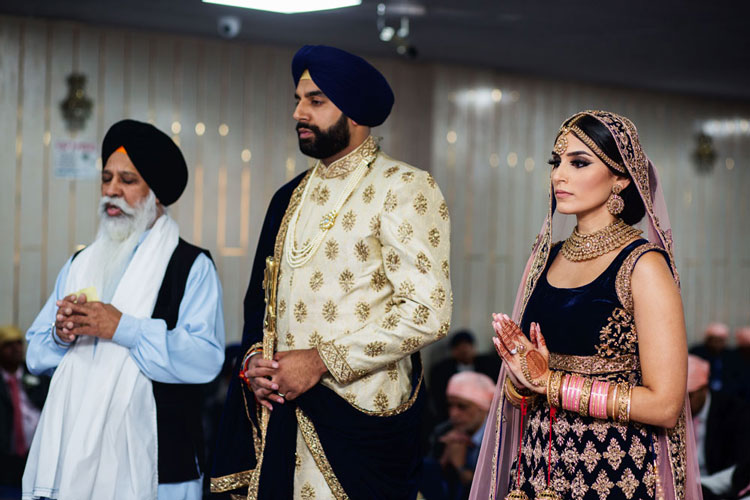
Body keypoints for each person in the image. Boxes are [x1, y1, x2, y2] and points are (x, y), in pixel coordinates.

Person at [211, 45, 452, 499]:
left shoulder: (404, 187)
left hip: (361, 422)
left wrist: (319, 361)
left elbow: (428, 311)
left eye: (316, 100)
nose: (299, 112)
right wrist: (254, 365)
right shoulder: (289, 196)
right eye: (298, 99)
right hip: (282, 411)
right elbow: (257, 305)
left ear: (355, 111)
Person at [470, 110, 702, 499]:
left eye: (579, 163)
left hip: (614, 471)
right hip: (535, 466)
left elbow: (665, 404)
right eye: (555, 161)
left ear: (621, 178)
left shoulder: (642, 266)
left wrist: (552, 383)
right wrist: (525, 378)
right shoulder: (547, 257)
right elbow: (527, 390)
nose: (559, 174)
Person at [23, 119, 225, 500]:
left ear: (156, 192)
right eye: (106, 178)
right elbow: (35, 353)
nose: (111, 191)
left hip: (161, 470)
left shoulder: (191, 265)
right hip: (75, 462)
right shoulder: (80, 262)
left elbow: (206, 359)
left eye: (128, 181)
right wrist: (59, 334)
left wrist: (122, 328)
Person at [687, 355, 750, 499]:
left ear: (704, 389)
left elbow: (738, 470)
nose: (683, 404)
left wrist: (698, 486)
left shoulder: (735, 412)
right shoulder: (669, 414)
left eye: (689, 396)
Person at [426, 371, 494, 500]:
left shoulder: (498, 438)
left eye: (462, 407)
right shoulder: (443, 432)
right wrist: (443, 462)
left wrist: (460, 468)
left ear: (483, 407)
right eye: (450, 405)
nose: (453, 414)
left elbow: (494, 490)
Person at [0, 325, 49, 490]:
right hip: (6, 457)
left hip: (38, 451)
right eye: (8, 345)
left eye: (18, 343)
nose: (16, 349)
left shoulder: (36, 373)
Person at [429, 330, 500, 422]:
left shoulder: (488, 364)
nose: (464, 350)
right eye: (459, 347)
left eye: (467, 346)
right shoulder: (441, 370)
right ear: (453, 351)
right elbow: (439, 399)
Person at [690, 322, 731, 391]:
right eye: (714, 340)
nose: (717, 344)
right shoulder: (697, 351)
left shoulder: (729, 355)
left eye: (720, 341)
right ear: (707, 340)